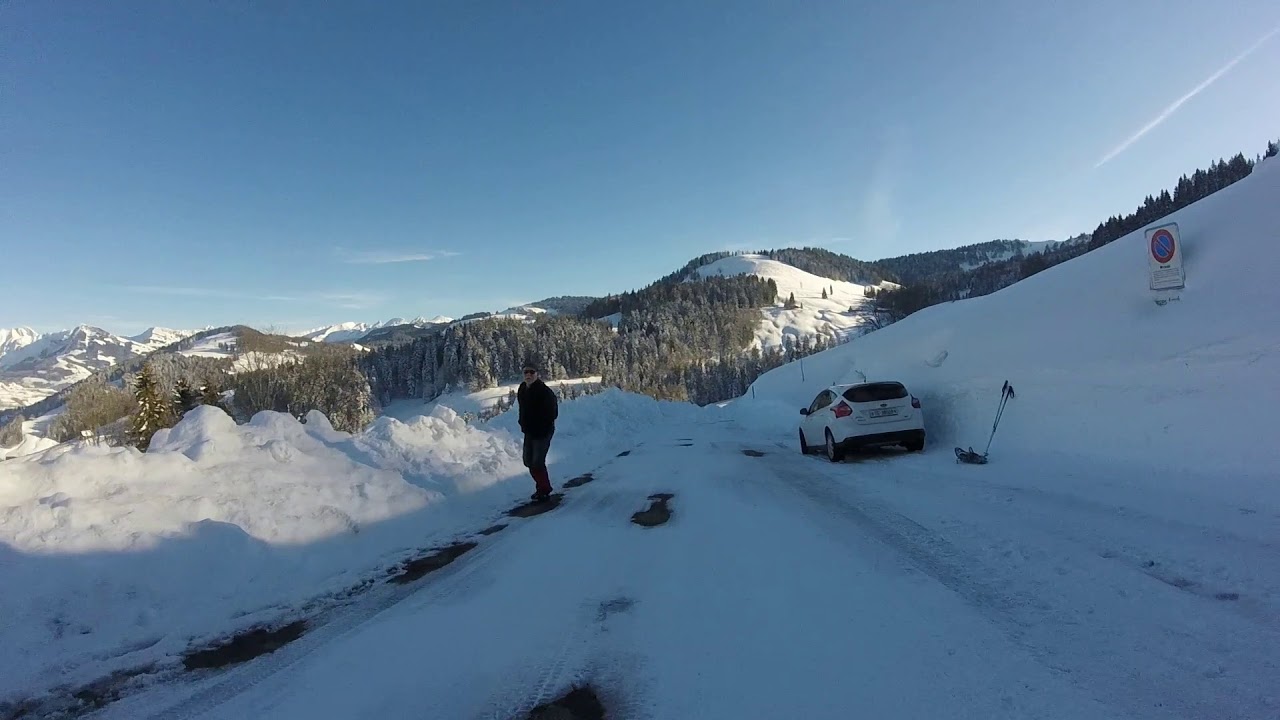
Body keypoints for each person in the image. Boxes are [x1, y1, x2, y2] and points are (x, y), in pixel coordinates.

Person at [517, 361, 558, 501]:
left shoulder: (545, 392)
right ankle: (542, 487)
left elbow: (553, 414)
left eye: (531, 372)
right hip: (529, 431)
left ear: (537, 374)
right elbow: (522, 409)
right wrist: (522, 422)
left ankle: (544, 488)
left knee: (537, 462)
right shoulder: (522, 389)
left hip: (543, 432)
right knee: (528, 461)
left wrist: (542, 426)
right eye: (525, 372)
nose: (528, 375)